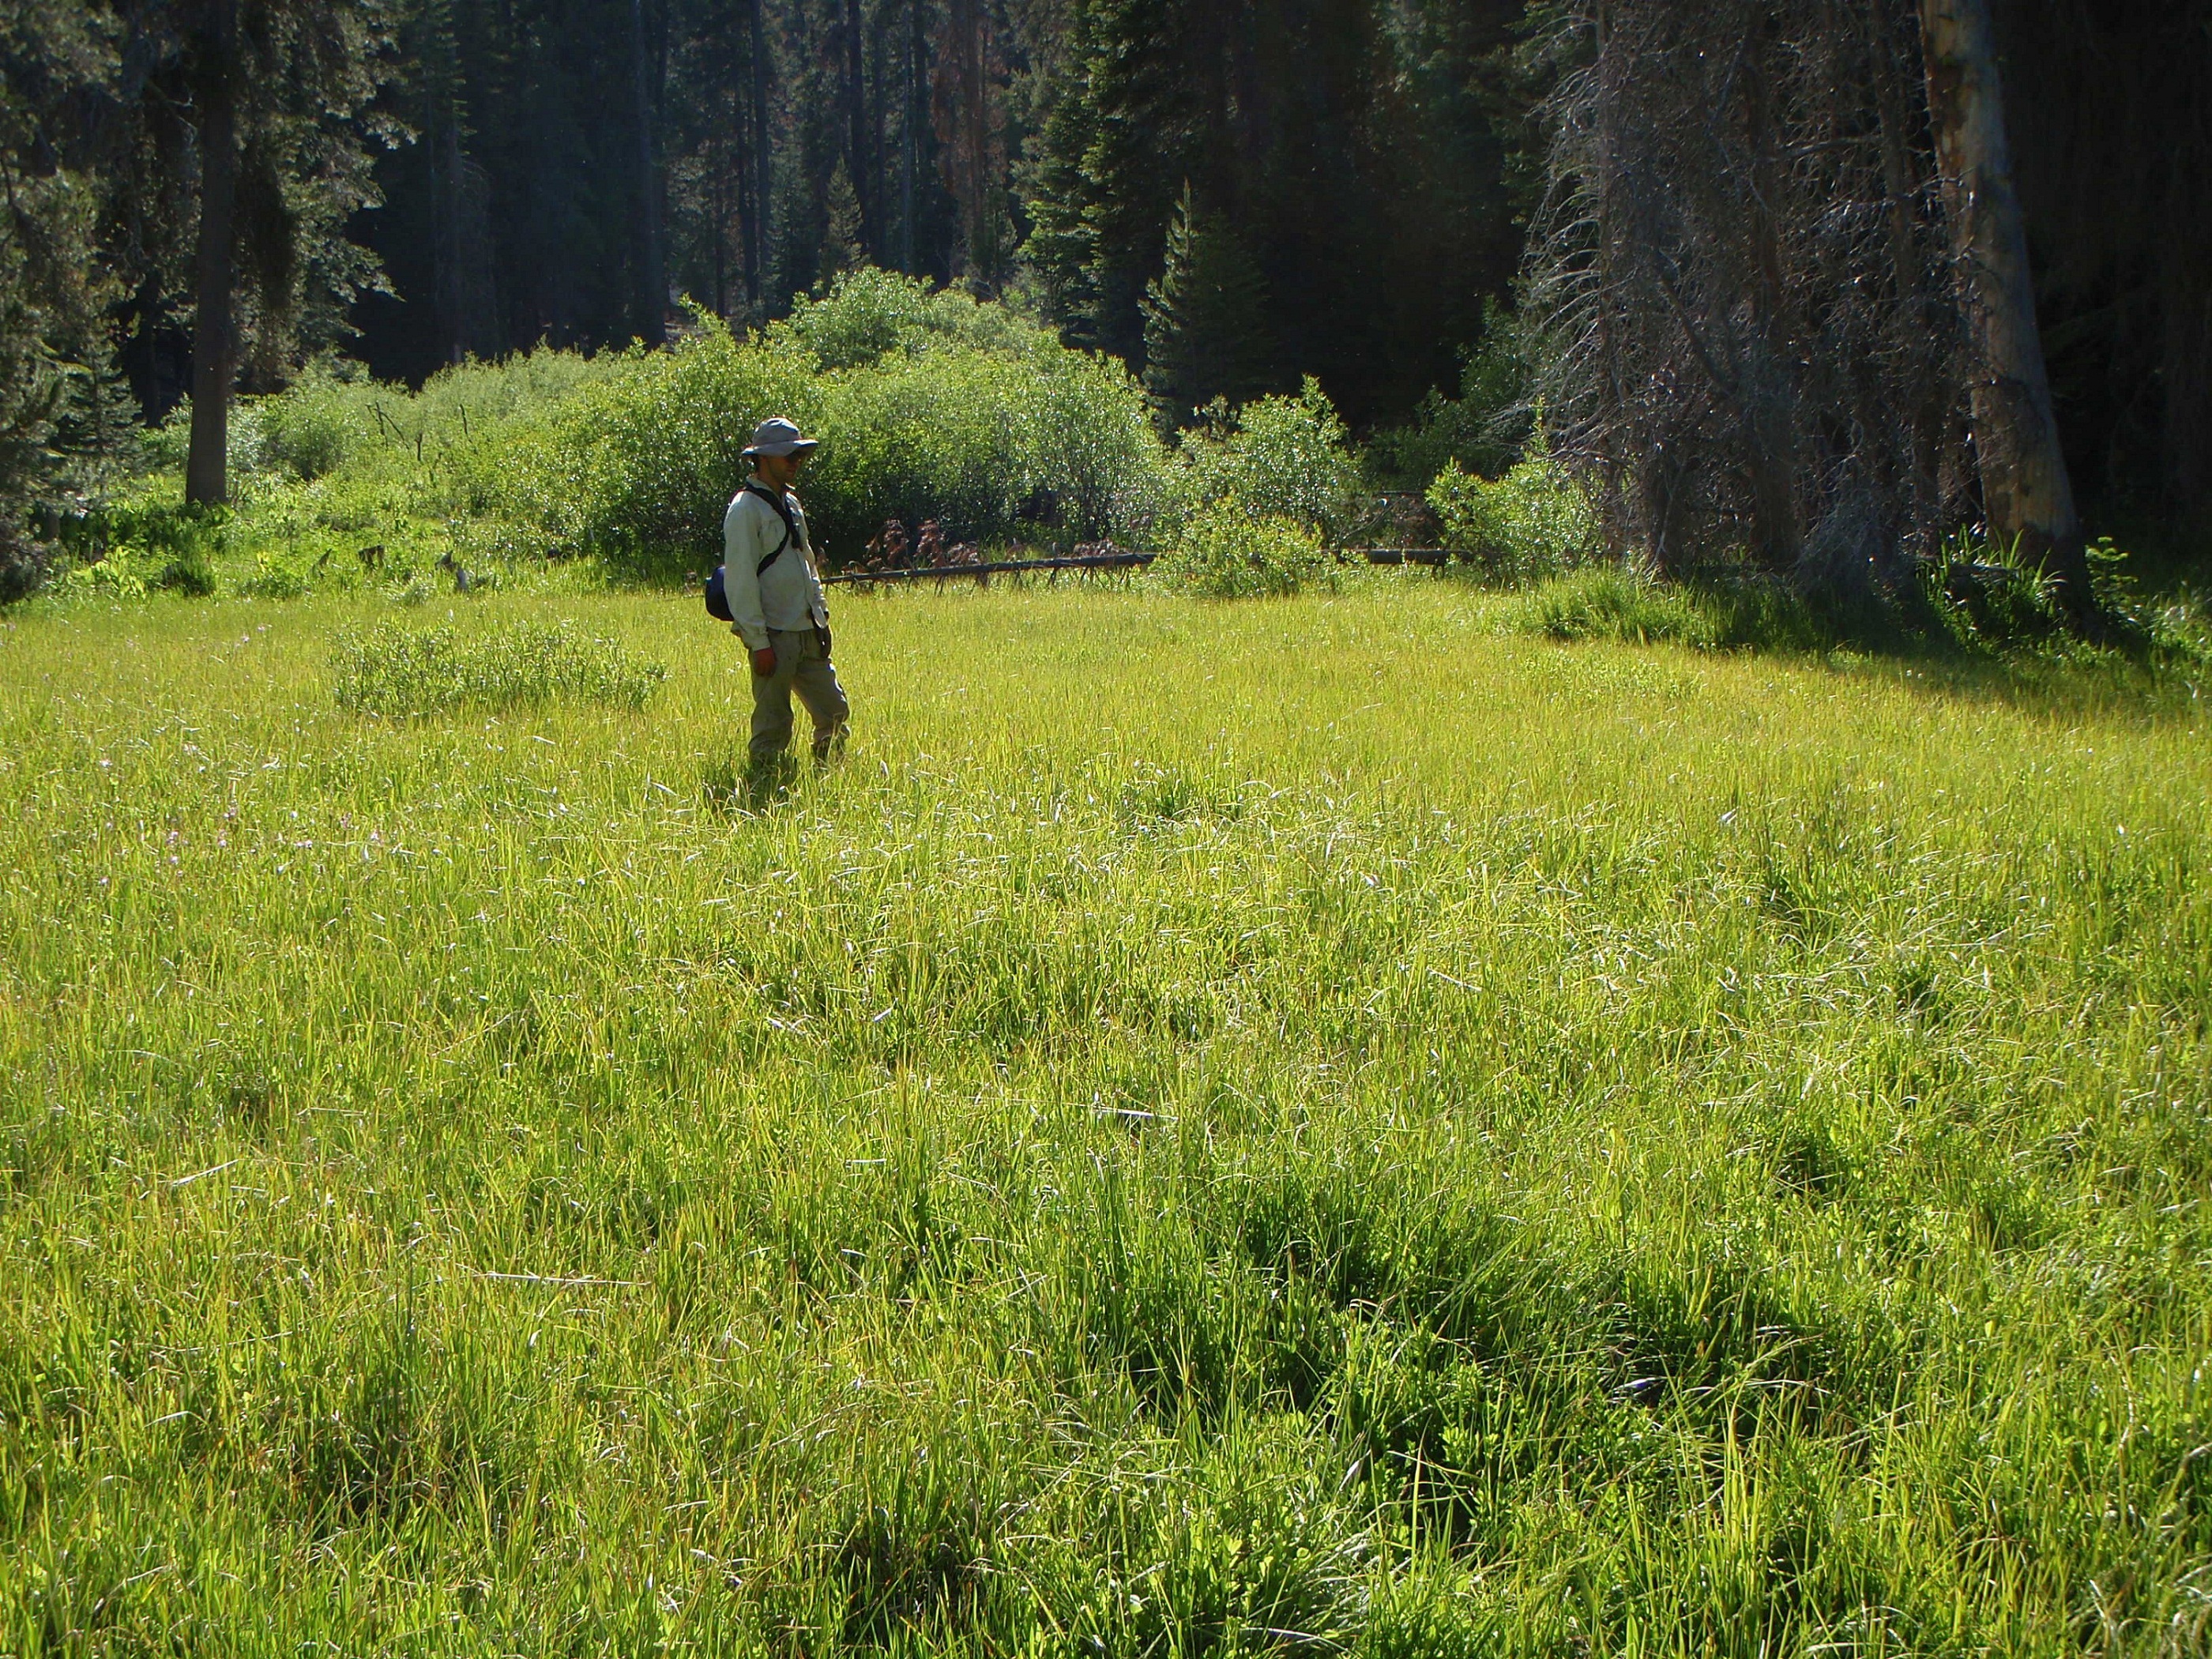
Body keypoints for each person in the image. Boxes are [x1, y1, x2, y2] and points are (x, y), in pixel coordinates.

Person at [723, 417, 849, 766]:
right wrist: (759, 642)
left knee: (835, 712)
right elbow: (741, 580)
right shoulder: (745, 509)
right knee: (773, 724)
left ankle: (832, 776)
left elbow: (805, 562)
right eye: (787, 456)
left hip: (806, 629)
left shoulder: (791, 503)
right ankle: (763, 788)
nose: (796, 462)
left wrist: (820, 618)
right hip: (773, 634)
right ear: (763, 459)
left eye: (799, 455)